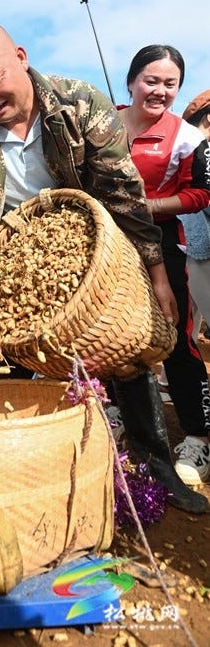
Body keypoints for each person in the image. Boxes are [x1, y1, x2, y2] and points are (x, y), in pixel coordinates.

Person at [0, 20, 208, 513]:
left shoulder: (80, 104)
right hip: (14, 258)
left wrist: (157, 273)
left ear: (20, 56)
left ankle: (155, 469)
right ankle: (35, 475)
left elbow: (125, 195)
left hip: (94, 246)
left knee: (127, 354)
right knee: (20, 362)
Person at [119, 49, 210, 486]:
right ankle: (117, 410)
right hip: (111, 248)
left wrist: (149, 206)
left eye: (170, 83)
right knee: (114, 332)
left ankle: (196, 433)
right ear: (132, 81)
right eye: (150, 80)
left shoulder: (188, 138)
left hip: (163, 244)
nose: (160, 91)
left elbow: (199, 196)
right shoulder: (103, 125)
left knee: (175, 337)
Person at [180, 90, 210, 343]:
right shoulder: (203, 149)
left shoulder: (178, 147)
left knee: (185, 321)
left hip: (184, 245)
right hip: (199, 250)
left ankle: (170, 380)